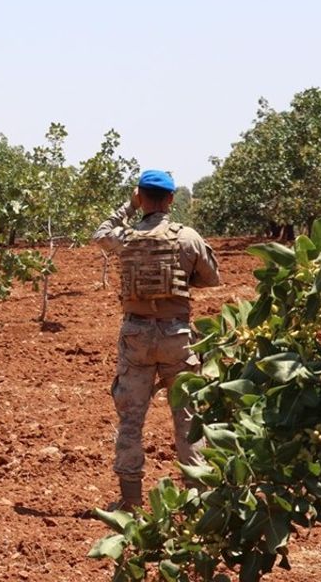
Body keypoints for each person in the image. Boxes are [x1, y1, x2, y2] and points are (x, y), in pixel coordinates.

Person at [91, 170, 221, 511]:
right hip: (178, 338)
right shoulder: (187, 237)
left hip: (136, 338)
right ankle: (197, 499)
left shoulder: (125, 236)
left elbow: (100, 234)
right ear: (171, 199)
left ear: (140, 197)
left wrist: (128, 208)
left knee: (131, 420)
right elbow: (211, 278)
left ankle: (131, 502)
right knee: (187, 417)